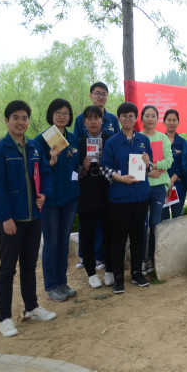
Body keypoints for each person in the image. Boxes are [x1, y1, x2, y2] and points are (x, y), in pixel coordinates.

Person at [0, 100, 56, 337]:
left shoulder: (35, 147)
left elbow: (45, 175)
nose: (21, 122)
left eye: (24, 118)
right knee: (7, 269)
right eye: (15, 117)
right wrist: (5, 217)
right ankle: (4, 318)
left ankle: (31, 307)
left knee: (29, 265)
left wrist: (44, 194)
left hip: (34, 217)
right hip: (12, 220)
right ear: (7, 120)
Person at [100, 102, 152, 294]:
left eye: (131, 116)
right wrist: (120, 178)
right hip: (120, 197)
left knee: (138, 235)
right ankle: (118, 277)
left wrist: (148, 163)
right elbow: (104, 167)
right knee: (119, 238)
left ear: (136, 118)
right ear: (119, 118)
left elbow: (149, 166)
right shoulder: (112, 142)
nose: (128, 119)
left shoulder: (143, 140)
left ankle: (137, 272)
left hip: (141, 196)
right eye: (124, 116)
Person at [35, 98, 80, 302]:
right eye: (58, 113)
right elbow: (36, 171)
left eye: (66, 113)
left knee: (63, 243)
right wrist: (51, 161)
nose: (62, 116)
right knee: (51, 244)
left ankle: (62, 283)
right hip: (50, 200)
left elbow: (76, 167)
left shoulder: (73, 139)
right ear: (51, 115)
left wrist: (80, 172)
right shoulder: (41, 140)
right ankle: (51, 286)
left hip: (69, 198)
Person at [73, 82, 118, 271]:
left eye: (104, 94)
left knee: (105, 222)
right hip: (86, 182)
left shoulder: (112, 120)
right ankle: (85, 256)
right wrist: (81, 167)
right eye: (97, 93)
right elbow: (75, 147)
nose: (100, 96)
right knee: (87, 222)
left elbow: (117, 147)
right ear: (91, 95)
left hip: (105, 182)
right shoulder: (79, 122)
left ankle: (101, 257)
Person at [77, 105, 115, 289]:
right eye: (89, 119)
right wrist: (83, 168)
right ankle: (91, 273)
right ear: (84, 122)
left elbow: (118, 165)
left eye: (96, 118)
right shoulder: (78, 143)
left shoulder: (110, 140)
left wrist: (105, 165)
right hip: (86, 195)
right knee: (88, 235)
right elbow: (72, 174)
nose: (93, 122)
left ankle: (110, 270)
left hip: (107, 193)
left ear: (102, 120)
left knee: (109, 233)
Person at [140, 106, 173, 275]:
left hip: (159, 187)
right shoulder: (137, 138)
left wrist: (151, 166)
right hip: (141, 185)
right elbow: (133, 163)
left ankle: (152, 258)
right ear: (142, 118)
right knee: (142, 224)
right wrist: (148, 172)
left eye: (153, 115)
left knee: (155, 223)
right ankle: (141, 260)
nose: (150, 119)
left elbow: (168, 161)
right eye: (147, 115)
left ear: (157, 118)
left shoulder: (163, 138)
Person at [162, 109, 186, 221]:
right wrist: (166, 181)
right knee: (163, 220)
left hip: (178, 185)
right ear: (164, 122)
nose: (171, 122)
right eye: (169, 120)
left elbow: (183, 164)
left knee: (177, 219)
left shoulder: (183, 143)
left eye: (174, 120)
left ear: (178, 122)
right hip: (162, 185)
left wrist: (172, 180)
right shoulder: (159, 141)